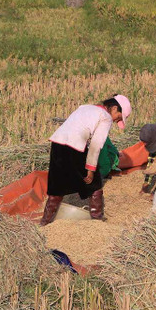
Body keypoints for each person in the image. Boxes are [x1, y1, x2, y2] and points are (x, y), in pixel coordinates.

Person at [39, 94, 131, 226]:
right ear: (115, 108)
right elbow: (95, 145)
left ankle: (44, 223)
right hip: (75, 146)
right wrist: (90, 168)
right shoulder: (105, 117)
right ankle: (97, 221)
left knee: (56, 187)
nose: (117, 121)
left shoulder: (85, 107)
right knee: (95, 185)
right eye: (119, 117)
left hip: (57, 144)